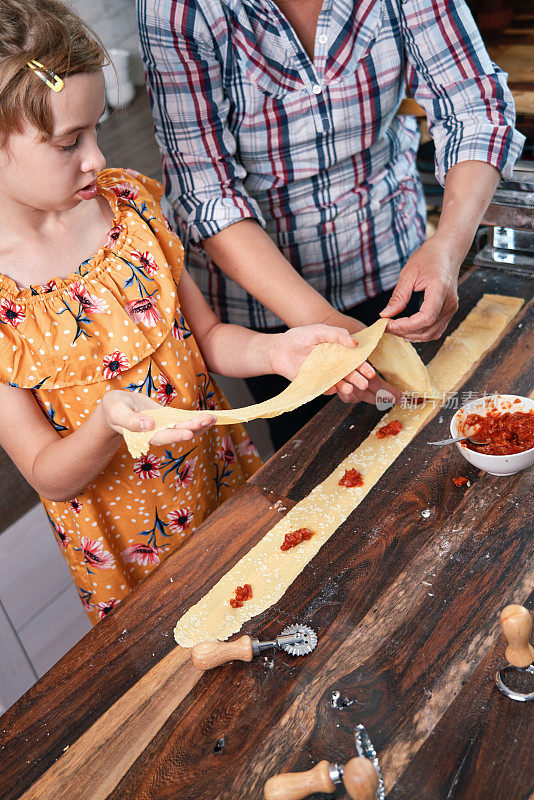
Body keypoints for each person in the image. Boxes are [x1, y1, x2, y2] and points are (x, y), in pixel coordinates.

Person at [0, 0, 375, 624]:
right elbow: (48, 474)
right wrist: (107, 422)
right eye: (70, 142)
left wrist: (275, 350)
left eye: (96, 130)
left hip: (224, 490)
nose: (95, 157)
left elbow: (207, 336)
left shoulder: (129, 207)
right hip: (131, 565)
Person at [138, 0, 525, 448]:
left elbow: (474, 107)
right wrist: (319, 320)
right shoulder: (178, 8)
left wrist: (449, 244)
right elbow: (207, 194)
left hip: (395, 258)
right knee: (316, 453)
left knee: (424, 437)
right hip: (269, 299)